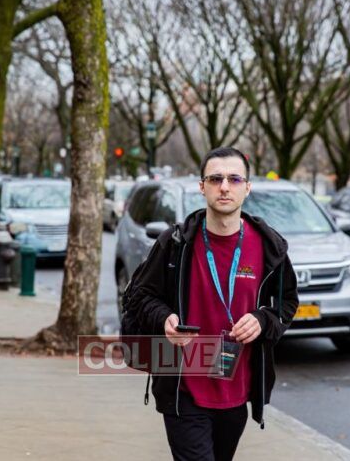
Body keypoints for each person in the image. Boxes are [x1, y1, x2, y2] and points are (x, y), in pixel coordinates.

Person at [127, 147, 299, 461]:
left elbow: (287, 303)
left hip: (237, 389)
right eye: (215, 178)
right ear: (202, 186)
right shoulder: (175, 244)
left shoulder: (269, 247)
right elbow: (139, 296)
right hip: (184, 388)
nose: (224, 187)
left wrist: (263, 320)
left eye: (234, 179)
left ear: (247, 187)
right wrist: (164, 318)